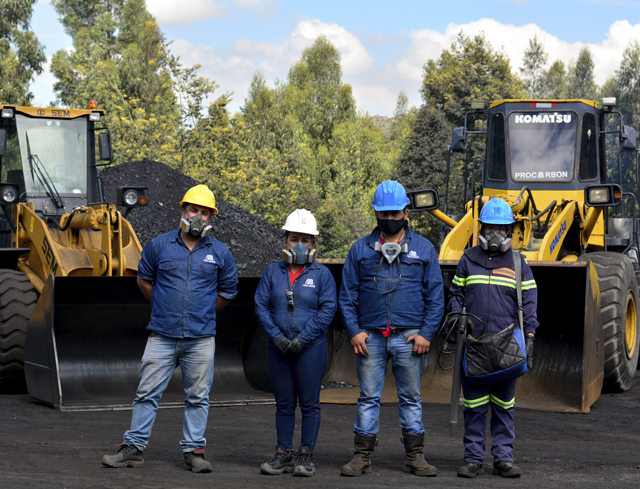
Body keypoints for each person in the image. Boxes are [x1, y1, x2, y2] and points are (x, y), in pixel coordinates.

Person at [102, 184, 238, 473]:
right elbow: (143, 280)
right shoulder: (158, 246)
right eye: (193, 210)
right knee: (146, 393)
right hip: (162, 336)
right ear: (183, 210)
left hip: (200, 339)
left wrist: (199, 311)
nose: (198, 217)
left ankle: (194, 452)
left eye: (205, 212)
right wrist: (164, 306)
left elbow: (228, 291)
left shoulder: (221, 253)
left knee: (198, 397)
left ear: (211, 216)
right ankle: (134, 448)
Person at [339, 180, 445, 477]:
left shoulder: (424, 249)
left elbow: (436, 297)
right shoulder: (359, 250)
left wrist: (426, 333)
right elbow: (347, 296)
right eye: (383, 213)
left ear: (406, 213)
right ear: (375, 214)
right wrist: (354, 331)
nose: (389, 218)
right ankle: (361, 457)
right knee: (368, 398)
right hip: (370, 338)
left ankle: (415, 457)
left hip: (408, 339)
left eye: (394, 213)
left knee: (411, 398)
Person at [447, 198, 538, 479]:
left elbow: (530, 302)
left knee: (503, 407)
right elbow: (455, 295)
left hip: (506, 347)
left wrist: (531, 336)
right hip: (474, 346)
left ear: (510, 231)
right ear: (481, 229)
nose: (495, 235)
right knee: (473, 408)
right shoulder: (468, 259)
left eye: (501, 229)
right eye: (489, 229)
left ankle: (503, 459)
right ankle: (473, 459)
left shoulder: (518, 263)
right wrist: (455, 318)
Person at [254, 209, 337, 477]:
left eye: (305, 239)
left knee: (310, 403)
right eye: (293, 239)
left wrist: (302, 339)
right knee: (284, 403)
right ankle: (284, 455)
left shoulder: (322, 275)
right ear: (285, 241)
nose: (299, 245)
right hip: (277, 349)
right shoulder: (272, 272)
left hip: (310, 350)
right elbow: (260, 306)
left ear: (313, 244)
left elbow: (327, 310)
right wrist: (276, 336)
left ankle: (305, 456)